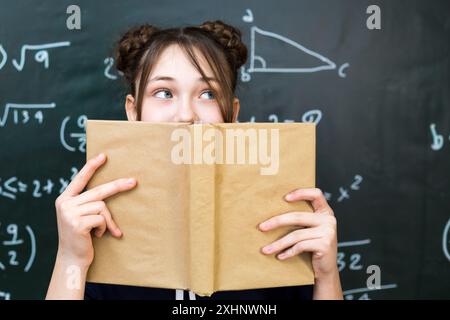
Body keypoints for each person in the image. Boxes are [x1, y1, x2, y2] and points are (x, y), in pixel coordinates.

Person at [46, 20, 342, 300]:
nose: (186, 114)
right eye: (164, 92)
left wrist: (327, 276)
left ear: (233, 114)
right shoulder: (95, 220)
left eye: (208, 93)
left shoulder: (280, 210)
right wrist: (71, 258)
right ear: (133, 111)